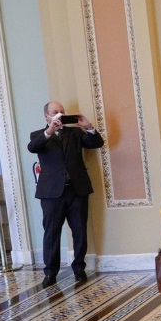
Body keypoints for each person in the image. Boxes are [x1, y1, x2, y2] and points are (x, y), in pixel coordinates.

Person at [28, 100, 105, 287]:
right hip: (51, 193)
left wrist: (88, 126)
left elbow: (96, 143)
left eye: (62, 111)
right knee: (51, 233)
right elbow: (32, 147)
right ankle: (50, 273)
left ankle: (79, 268)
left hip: (77, 190)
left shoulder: (75, 133)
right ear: (47, 116)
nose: (60, 114)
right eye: (56, 111)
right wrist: (50, 131)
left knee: (79, 231)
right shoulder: (38, 134)